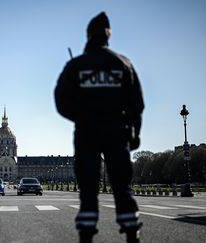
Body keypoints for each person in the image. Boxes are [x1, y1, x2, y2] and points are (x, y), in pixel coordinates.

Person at [54, 12, 144, 243]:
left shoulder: (76, 65)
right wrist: (134, 132)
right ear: (108, 36)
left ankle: (86, 235)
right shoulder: (123, 63)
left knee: (88, 186)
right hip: (117, 130)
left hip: (87, 132)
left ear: (88, 35)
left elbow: (61, 101)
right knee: (122, 186)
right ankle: (132, 233)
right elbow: (137, 104)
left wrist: (81, 116)